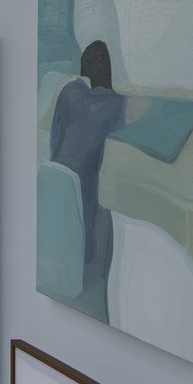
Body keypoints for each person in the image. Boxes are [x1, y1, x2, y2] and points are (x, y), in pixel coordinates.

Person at [50, 41, 129, 320]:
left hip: (58, 182)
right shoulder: (116, 105)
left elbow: (55, 137)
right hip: (88, 192)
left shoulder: (70, 93)